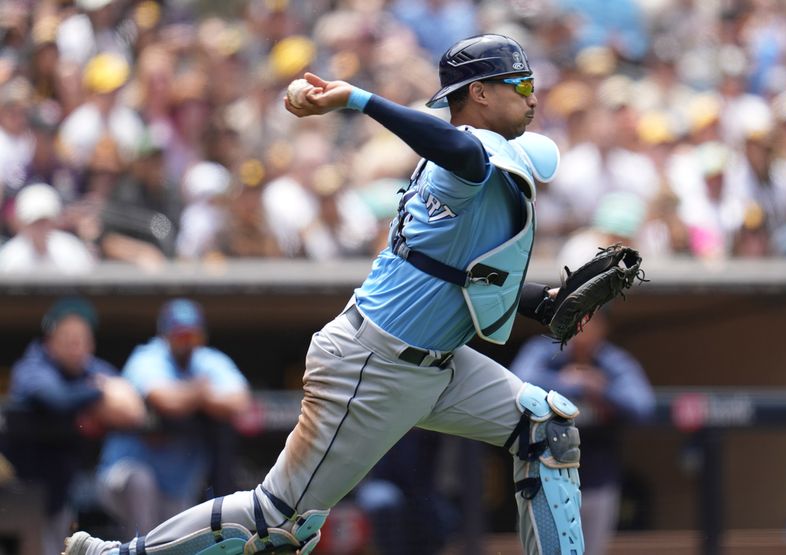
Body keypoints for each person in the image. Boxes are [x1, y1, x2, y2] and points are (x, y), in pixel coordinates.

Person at [65, 34, 585, 555]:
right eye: (519, 83)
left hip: (439, 363)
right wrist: (358, 99)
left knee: (545, 426)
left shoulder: (492, 162)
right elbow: (458, 149)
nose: (532, 96)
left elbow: (463, 273)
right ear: (479, 94)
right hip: (373, 361)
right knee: (280, 521)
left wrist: (539, 299)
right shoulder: (462, 160)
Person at [95, 298, 252, 538]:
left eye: (193, 336)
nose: (187, 344)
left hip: (176, 491)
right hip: (122, 478)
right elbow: (166, 402)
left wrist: (192, 396)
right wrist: (201, 393)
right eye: (180, 336)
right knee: (141, 487)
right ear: (165, 336)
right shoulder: (147, 357)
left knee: (176, 542)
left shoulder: (208, 360)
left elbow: (240, 402)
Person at [4, 296, 145, 555]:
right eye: (67, 337)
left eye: (81, 338)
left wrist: (99, 394)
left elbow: (131, 408)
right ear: (50, 340)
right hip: (18, 492)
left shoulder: (88, 370)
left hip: (59, 491)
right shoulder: (33, 366)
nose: (75, 344)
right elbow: (56, 399)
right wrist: (97, 393)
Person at [509, 309, 656, 555]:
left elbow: (642, 405)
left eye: (590, 322)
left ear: (603, 328)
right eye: (576, 321)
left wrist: (600, 388)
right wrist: (568, 382)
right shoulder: (544, 352)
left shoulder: (612, 362)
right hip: (544, 480)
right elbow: (517, 381)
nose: (582, 330)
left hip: (598, 482)